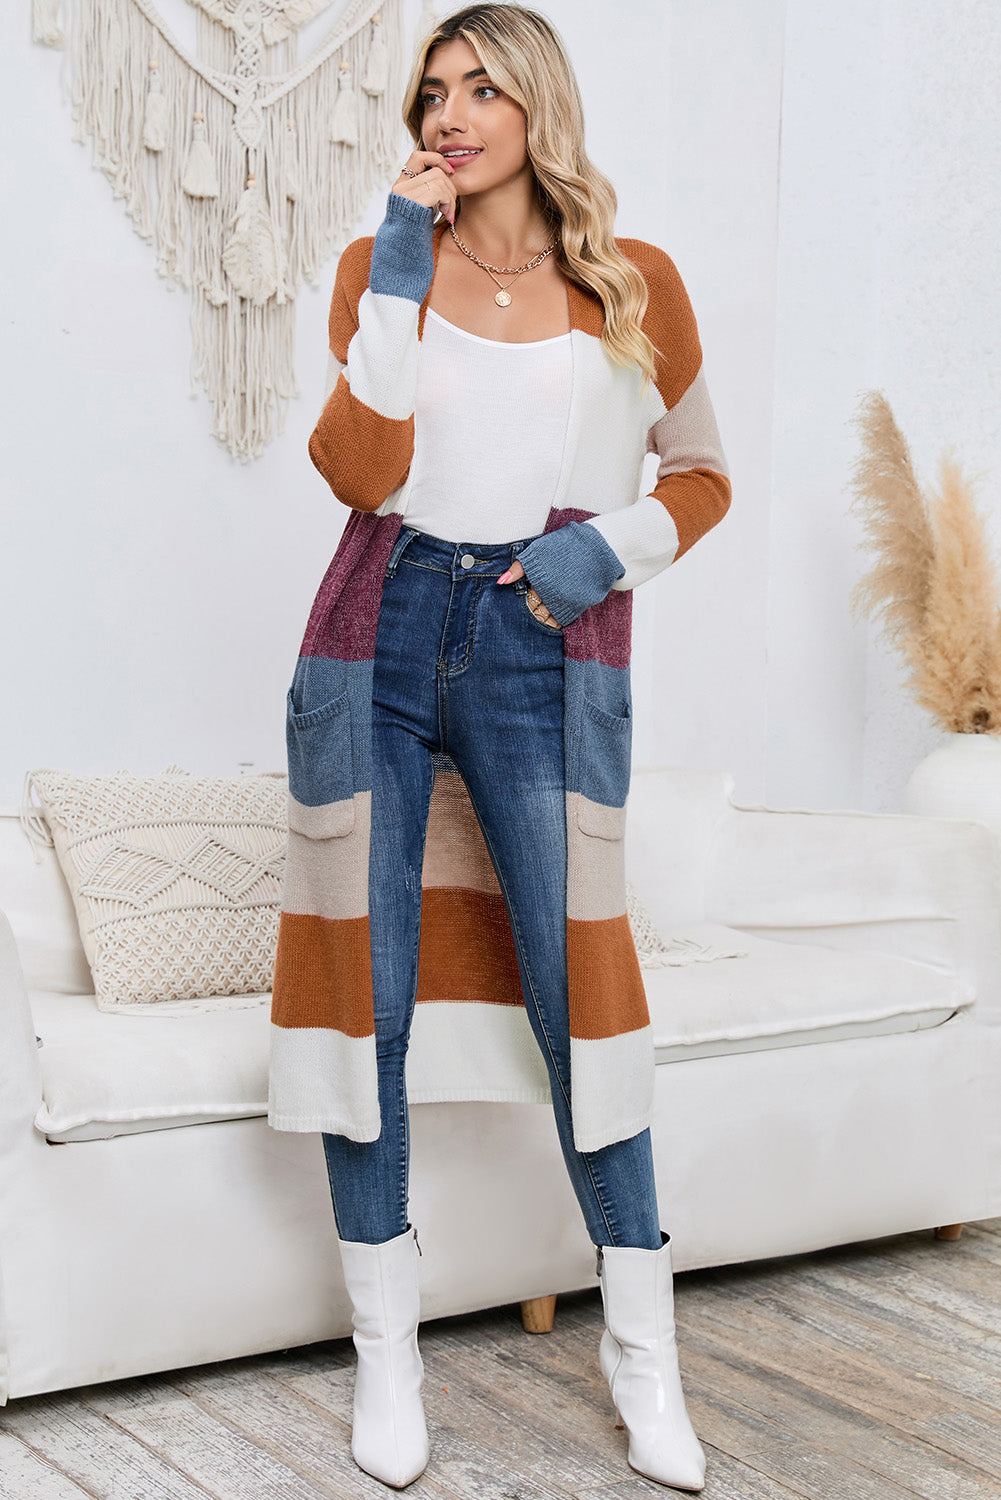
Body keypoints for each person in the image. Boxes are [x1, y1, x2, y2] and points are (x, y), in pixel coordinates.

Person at [267, 3, 730, 1491]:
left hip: (543, 636)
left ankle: (644, 1361)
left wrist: (602, 555)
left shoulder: (633, 280)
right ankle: (386, 1363)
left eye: (480, 87)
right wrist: (401, 265)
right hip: (382, 628)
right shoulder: (377, 265)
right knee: (365, 1003)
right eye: (432, 90)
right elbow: (357, 469)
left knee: (579, 993)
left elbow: (705, 473)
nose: (450, 113)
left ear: (537, 102)